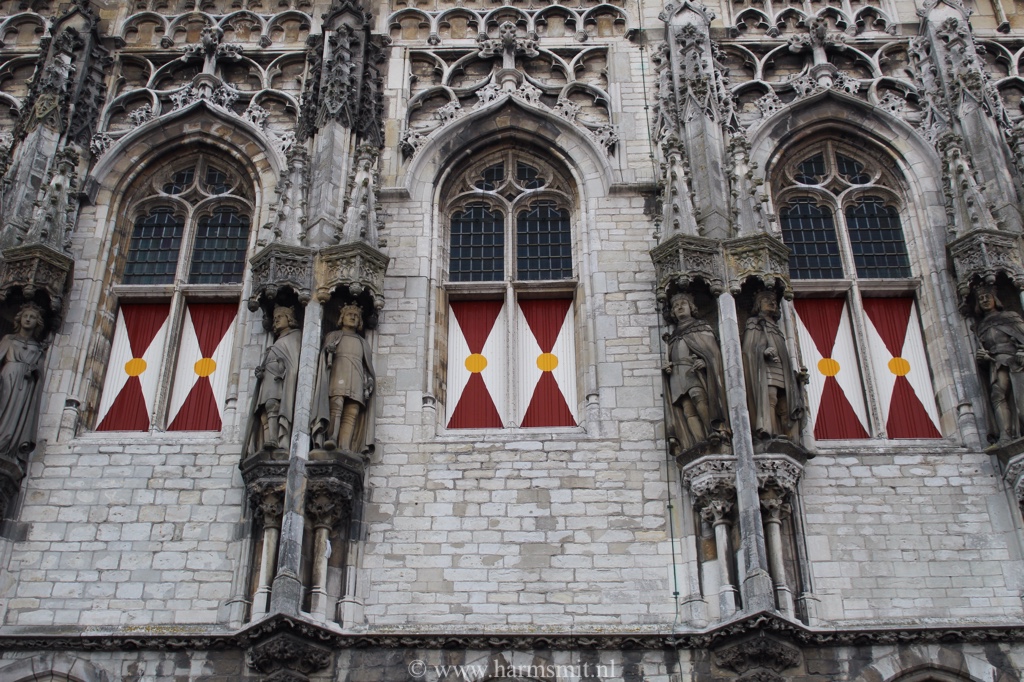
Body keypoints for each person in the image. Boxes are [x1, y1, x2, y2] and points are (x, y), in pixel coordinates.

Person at [662, 293, 730, 450]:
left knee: (697, 396)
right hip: (677, 374)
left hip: (692, 371)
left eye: (683, 304)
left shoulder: (701, 326)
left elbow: (713, 352)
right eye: (675, 306)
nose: (679, 307)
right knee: (687, 408)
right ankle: (699, 442)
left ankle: (713, 430)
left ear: (691, 308)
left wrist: (705, 361)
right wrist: (668, 368)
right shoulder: (673, 336)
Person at [311, 304, 375, 453]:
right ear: (342, 318)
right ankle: (332, 438)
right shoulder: (333, 336)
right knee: (336, 404)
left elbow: (367, 367)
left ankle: (345, 446)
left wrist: (369, 379)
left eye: (356, 315)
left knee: (352, 411)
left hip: (356, 378)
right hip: (338, 375)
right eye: (349, 314)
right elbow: (324, 358)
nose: (353, 317)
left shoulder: (363, 342)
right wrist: (329, 352)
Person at [742, 289, 804, 441]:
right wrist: (762, 352)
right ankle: (770, 432)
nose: (772, 303)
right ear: (758, 304)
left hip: (782, 370)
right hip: (766, 368)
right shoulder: (754, 323)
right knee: (770, 397)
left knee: (785, 403)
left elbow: (784, 354)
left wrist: (795, 377)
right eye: (766, 300)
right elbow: (748, 349)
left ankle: (790, 437)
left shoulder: (776, 327)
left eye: (774, 301)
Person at [247, 305, 302, 454]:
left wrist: (285, 371)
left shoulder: (295, 336)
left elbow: (294, 362)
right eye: (275, 318)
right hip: (268, 378)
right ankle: (267, 443)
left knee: (272, 405)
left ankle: (274, 439)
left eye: (280, 317)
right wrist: (261, 371)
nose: (276, 320)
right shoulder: (277, 340)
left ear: (289, 319)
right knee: (264, 411)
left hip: (280, 378)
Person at [973, 285, 1024, 444]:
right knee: (997, 395)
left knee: (1020, 399)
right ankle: (1005, 435)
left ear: (995, 299)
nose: (984, 300)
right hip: (995, 362)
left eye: (987, 297)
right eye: (981, 299)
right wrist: (982, 357)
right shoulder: (981, 327)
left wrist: (1022, 351)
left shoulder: (1010, 316)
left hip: (1015, 361)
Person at [0, 303, 46, 464]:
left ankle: (9, 448)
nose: (28, 319)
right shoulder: (9, 339)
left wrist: (35, 371)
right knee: (3, 409)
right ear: (19, 319)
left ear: (37, 322)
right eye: (25, 316)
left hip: (26, 384)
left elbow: (41, 373)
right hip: (8, 378)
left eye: (32, 317)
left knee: (16, 416)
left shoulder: (38, 348)